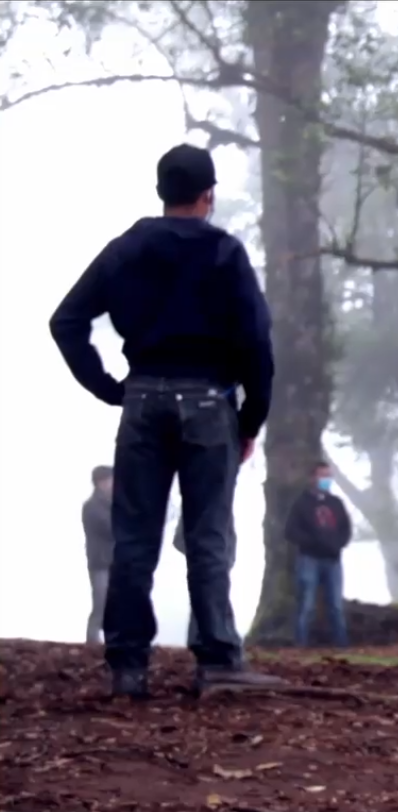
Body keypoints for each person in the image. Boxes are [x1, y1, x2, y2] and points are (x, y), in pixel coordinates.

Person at [49, 144, 278, 698]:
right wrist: (250, 419)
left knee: (134, 538)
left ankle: (128, 667)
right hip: (209, 404)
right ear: (208, 195)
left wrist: (109, 388)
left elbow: (66, 320)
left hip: (143, 401)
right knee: (207, 536)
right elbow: (256, 341)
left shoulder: (127, 249)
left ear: (161, 192)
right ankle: (218, 661)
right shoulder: (224, 253)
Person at [285, 461, 354, 648]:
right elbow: (291, 531)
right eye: (322, 475)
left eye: (328, 476)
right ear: (312, 478)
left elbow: (346, 529)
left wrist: (337, 544)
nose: (326, 480)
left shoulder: (336, 503)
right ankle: (301, 644)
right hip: (309, 559)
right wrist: (313, 543)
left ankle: (341, 645)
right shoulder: (301, 503)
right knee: (306, 604)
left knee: (335, 605)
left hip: (333, 560)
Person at [172, 514, 238, 648]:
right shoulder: (202, 510)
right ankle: (204, 641)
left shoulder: (221, 511)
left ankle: (207, 640)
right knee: (206, 597)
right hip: (209, 562)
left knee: (212, 598)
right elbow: (180, 539)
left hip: (218, 563)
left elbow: (230, 538)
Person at [83, 465, 115, 645]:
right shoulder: (92, 507)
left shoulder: (113, 504)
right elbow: (111, 528)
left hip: (114, 561)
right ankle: (92, 642)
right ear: (100, 482)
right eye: (110, 480)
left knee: (115, 604)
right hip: (100, 563)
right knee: (101, 604)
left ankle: (111, 641)